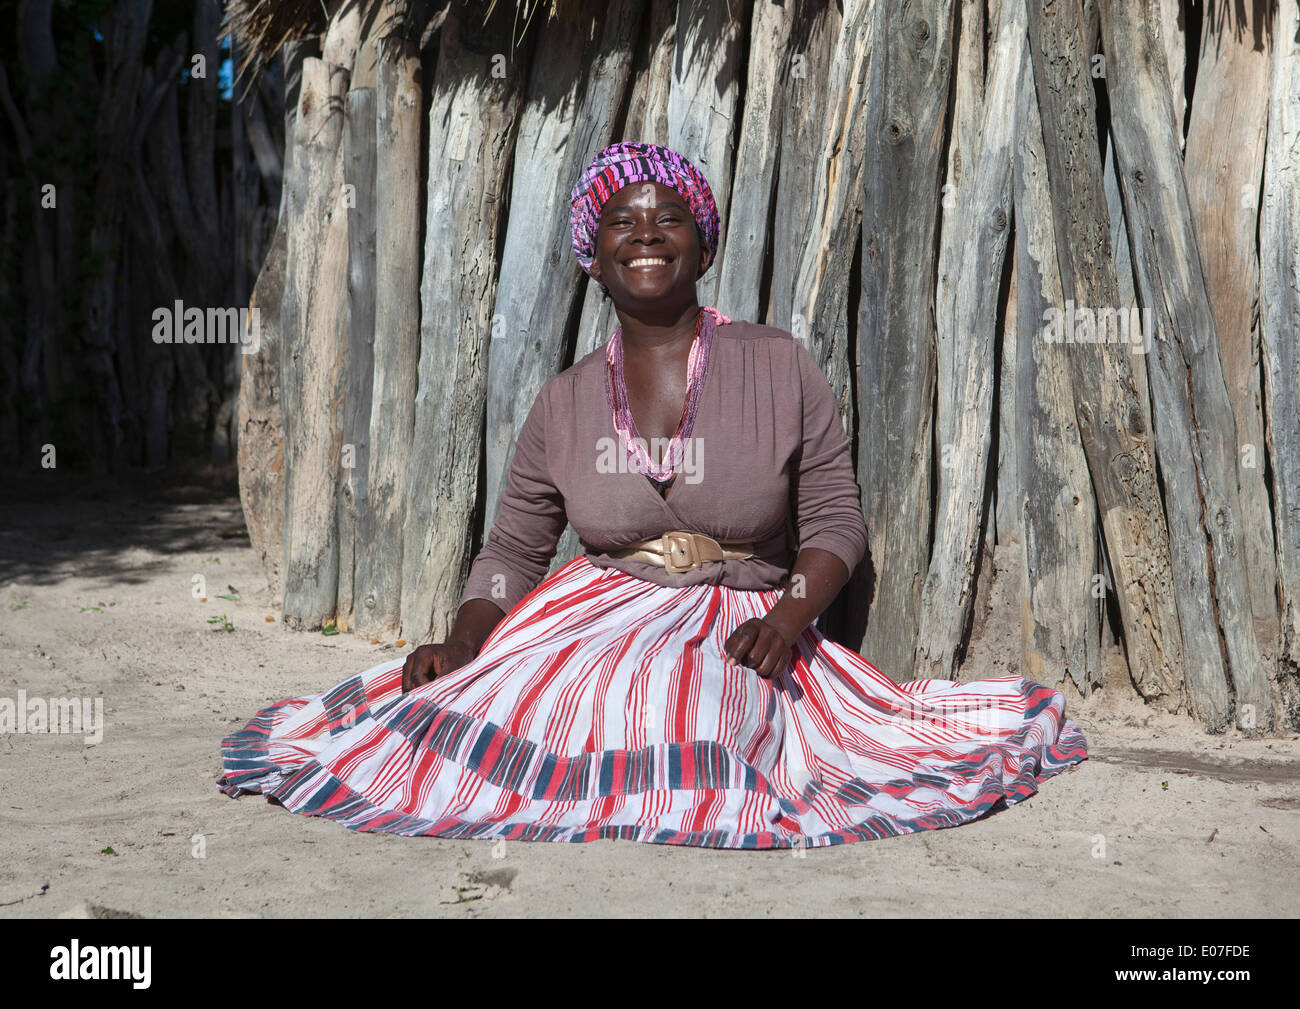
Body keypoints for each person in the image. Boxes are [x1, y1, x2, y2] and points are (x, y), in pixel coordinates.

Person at [218, 141, 1087, 849]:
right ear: (591, 259)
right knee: (515, 700)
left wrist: (787, 620)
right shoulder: (562, 401)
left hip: (741, 616)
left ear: (702, 246)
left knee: (711, 706)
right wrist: (462, 639)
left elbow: (834, 522)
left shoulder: (778, 366)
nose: (645, 234)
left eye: (669, 218)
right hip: (590, 615)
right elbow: (514, 549)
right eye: (621, 223)